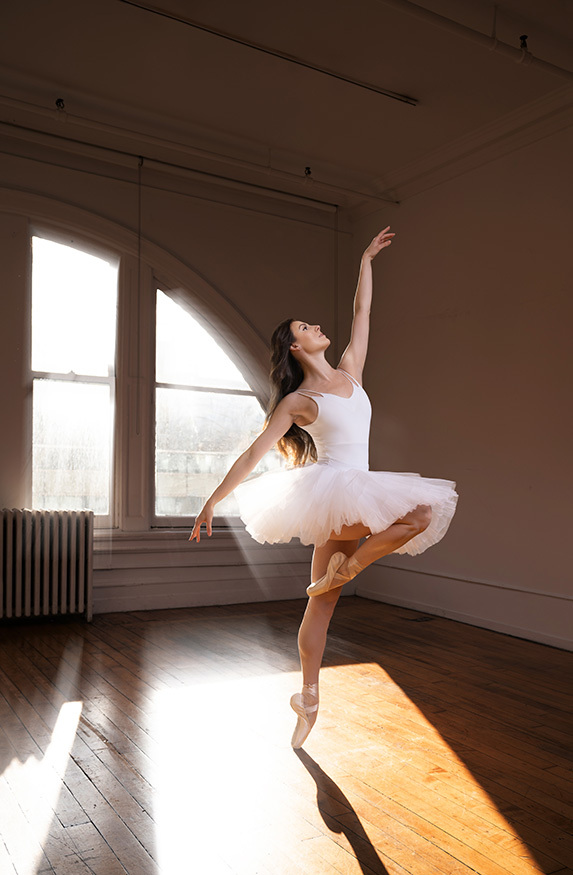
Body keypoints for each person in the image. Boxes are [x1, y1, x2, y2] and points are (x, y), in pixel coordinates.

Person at [189, 227, 458, 748]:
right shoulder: (299, 401)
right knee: (414, 520)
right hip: (337, 488)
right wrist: (213, 500)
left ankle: (310, 684)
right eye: (307, 327)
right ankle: (312, 690)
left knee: (327, 597)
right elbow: (254, 453)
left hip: (352, 490)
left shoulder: (351, 371)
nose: (318, 326)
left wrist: (366, 260)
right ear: (296, 345)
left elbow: (364, 314)